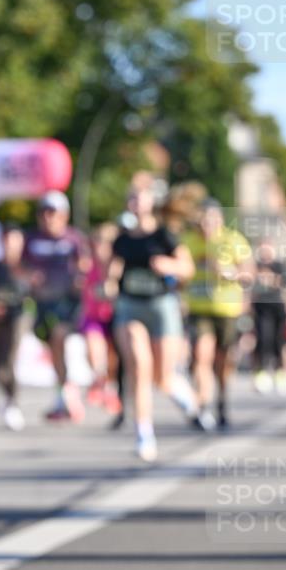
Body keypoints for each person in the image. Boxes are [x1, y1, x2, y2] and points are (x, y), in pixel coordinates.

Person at [109, 185, 194, 462]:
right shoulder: (121, 240)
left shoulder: (164, 235)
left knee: (162, 376)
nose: (135, 201)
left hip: (160, 306)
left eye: (140, 196)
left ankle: (185, 397)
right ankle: (144, 433)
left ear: (150, 202)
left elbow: (187, 268)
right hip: (130, 306)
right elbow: (112, 270)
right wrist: (108, 281)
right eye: (131, 196)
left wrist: (169, 266)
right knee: (139, 366)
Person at [183, 199, 254, 429]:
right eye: (202, 219)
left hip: (227, 309)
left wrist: (231, 273)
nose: (206, 224)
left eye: (211, 218)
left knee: (222, 361)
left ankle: (222, 400)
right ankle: (201, 406)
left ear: (220, 219)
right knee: (201, 356)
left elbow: (249, 273)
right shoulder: (189, 242)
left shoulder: (233, 240)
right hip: (198, 309)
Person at [22, 190, 89, 421]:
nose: (48, 217)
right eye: (44, 212)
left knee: (60, 338)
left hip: (68, 303)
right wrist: (29, 276)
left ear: (64, 215)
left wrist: (81, 277)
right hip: (42, 304)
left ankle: (71, 394)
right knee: (53, 348)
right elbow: (20, 267)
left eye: (53, 212)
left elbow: (86, 266)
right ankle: (65, 395)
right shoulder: (31, 239)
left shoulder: (74, 239)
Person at [0, 225, 30, 430]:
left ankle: (13, 402)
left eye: (15, 241)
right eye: (8, 241)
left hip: (19, 317)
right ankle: (6, 397)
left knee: (10, 359)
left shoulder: (27, 267)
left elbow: (35, 292)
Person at [79, 223, 121, 415]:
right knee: (92, 348)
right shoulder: (88, 264)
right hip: (93, 317)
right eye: (96, 242)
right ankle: (99, 380)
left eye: (104, 243)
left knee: (113, 359)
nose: (99, 246)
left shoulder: (117, 264)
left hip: (113, 317)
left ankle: (109, 389)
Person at [250, 240, 286, 395]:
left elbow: (284, 283)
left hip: (277, 308)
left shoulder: (280, 265)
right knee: (263, 340)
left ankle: (281, 373)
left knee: (279, 341)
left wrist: (269, 278)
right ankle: (261, 373)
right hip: (261, 309)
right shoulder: (255, 265)